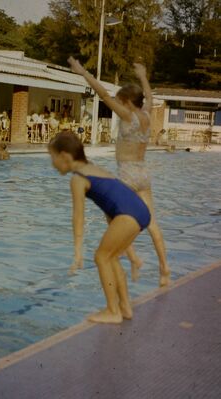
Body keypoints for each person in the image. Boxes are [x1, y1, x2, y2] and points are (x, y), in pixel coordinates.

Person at [67, 56, 170, 287]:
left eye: (120, 100)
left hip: (127, 175)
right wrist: (143, 75)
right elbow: (150, 97)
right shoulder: (146, 113)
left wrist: (83, 72)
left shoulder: (128, 115)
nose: (118, 103)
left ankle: (133, 257)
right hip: (144, 174)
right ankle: (164, 269)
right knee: (152, 222)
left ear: (126, 102)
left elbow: (103, 94)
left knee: (111, 214)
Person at [48, 131, 151, 324]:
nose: (52, 163)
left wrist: (78, 252)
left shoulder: (78, 178)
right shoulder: (94, 169)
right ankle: (125, 307)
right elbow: (110, 205)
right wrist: (132, 255)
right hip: (139, 210)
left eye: (52, 157)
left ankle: (113, 310)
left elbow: (78, 217)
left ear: (65, 156)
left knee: (101, 257)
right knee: (111, 257)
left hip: (127, 214)